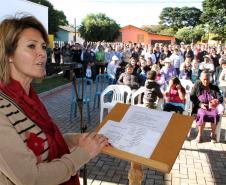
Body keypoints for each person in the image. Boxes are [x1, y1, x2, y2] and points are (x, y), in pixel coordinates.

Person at [0, 15, 109, 185]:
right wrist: (82, 154)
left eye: (43, 47)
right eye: (31, 46)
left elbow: (44, 143)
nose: (42, 53)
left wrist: (75, 140)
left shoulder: (29, 97)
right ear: (9, 54)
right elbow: (31, 179)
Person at [190, 71, 224, 143]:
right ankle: (199, 135)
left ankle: (213, 134)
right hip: (200, 107)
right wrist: (200, 104)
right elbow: (192, 97)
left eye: (207, 79)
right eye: (204, 79)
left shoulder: (214, 87)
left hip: (212, 107)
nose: (206, 81)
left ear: (210, 79)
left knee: (215, 114)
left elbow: (221, 97)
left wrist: (216, 100)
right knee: (203, 114)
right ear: (201, 79)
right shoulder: (197, 86)